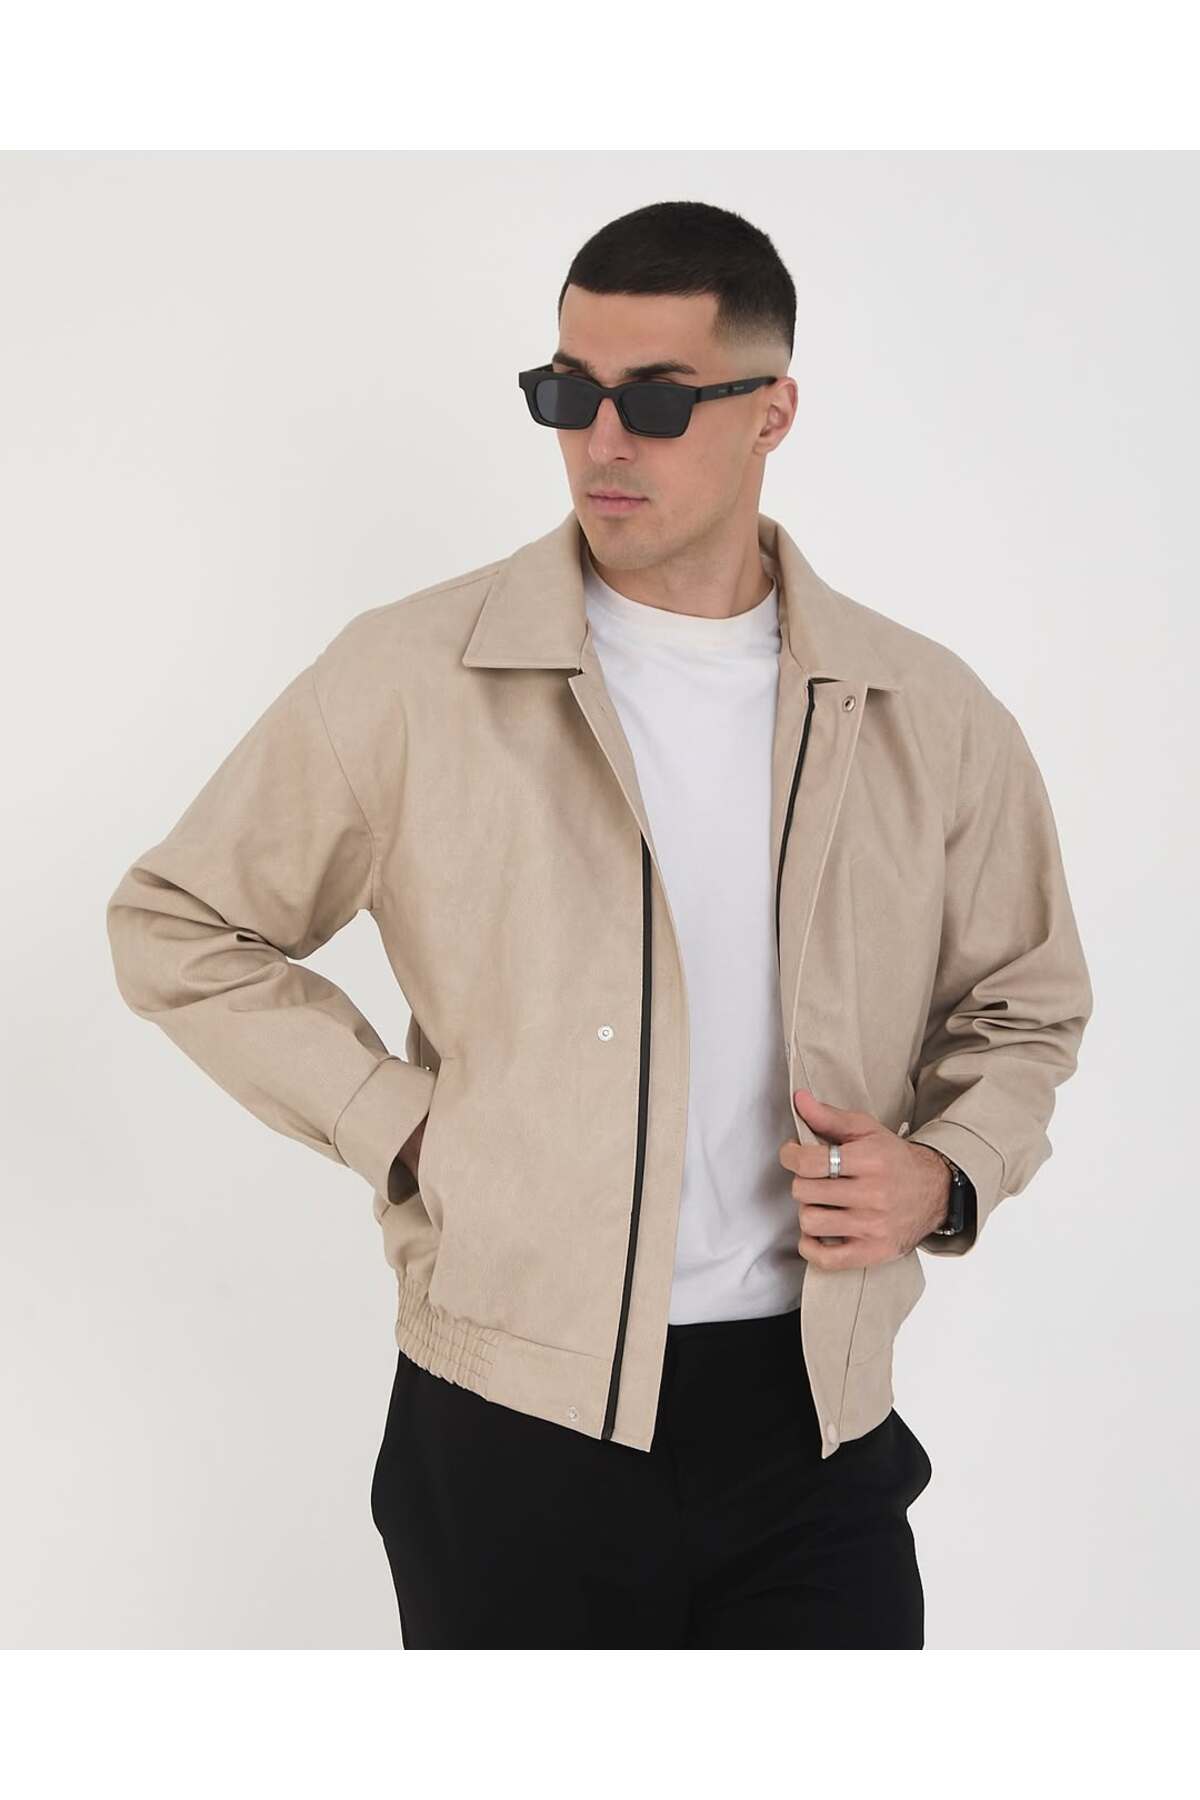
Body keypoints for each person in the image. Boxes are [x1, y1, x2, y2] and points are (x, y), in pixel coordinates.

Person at [106, 199, 1094, 1648]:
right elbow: (177, 924)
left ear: (773, 414)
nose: (602, 441)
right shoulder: (412, 677)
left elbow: (1026, 1002)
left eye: (658, 400)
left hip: (814, 1424)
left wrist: (947, 1172)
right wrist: (409, 1126)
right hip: (512, 1416)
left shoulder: (922, 710)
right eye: (568, 394)